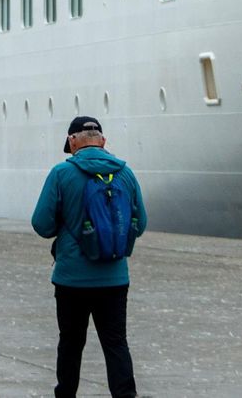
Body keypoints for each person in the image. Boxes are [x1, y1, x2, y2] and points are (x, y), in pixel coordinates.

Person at [31, 116, 147, 398]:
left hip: (72, 278)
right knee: (116, 343)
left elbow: (41, 225)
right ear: (103, 140)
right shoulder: (125, 173)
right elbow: (139, 224)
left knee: (70, 343)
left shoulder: (61, 173)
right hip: (115, 278)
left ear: (72, 141)